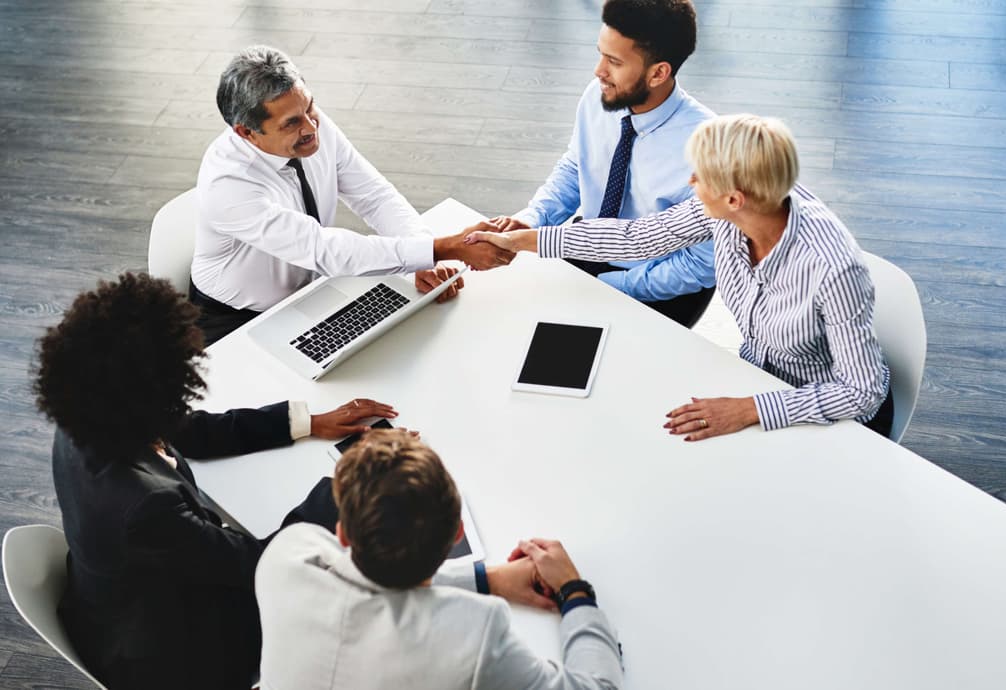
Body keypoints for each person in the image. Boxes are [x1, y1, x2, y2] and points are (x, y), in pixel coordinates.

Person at [34, 273, 406, 689]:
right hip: (171, 652)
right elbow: (263, 563)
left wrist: (307, 422)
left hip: (126, 593)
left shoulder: (88, 414)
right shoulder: (146, 507)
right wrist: (349, 478)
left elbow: (191, 432)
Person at [468, 115, 894, 440]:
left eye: (698, 177)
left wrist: (750, 409)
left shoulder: (834, 269)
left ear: (734, 198)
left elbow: (862, 392)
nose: (690, 182)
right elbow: (636, 239)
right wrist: (525, 240)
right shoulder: (734, 211)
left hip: (829, 417)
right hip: (755, 376)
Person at [191, 45, 512, 344]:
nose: (311, 127)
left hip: (312, 294)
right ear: (246, 132)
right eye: (291, 123)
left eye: (310, 107)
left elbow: (372, 194)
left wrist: (420, 251)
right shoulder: (228, 184)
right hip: (235, 321)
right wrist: (443, 248)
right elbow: (323, 248)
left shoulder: (309, 122)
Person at [255, 430, 623, 689]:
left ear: (343, 533)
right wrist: (575, 592)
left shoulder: (286, 557)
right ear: (457, 535)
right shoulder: (470, 640)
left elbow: (359, 580)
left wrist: (489, 580)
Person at [490, 0, 717, 328]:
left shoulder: (709, 150)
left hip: (657, 283)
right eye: (600, 54)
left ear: (658, 72)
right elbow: (576, 165)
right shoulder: (600, 95)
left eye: (614, 61)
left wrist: (610, 288)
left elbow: (699, 264)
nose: (599, 71)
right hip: (586, 246)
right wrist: (533, 218)